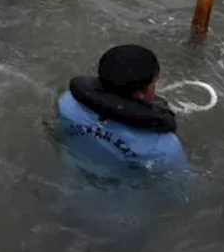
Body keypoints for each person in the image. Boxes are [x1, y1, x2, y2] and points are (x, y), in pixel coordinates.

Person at [57, 44, 188, 177]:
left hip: (71, 175)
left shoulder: (67, 104)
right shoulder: (163, 146)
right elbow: (181, 182)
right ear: (141, 94)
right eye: (154, 82)